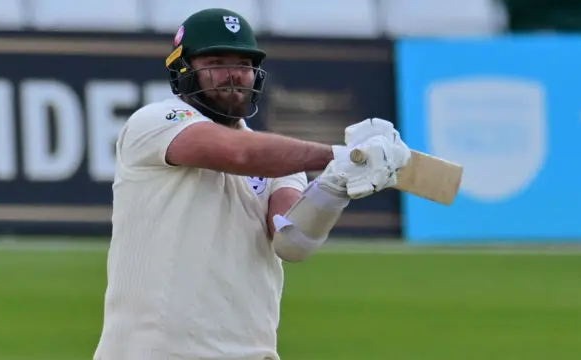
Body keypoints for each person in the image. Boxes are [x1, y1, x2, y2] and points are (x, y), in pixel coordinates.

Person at [93, 7, 411, 360]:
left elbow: (293, 243)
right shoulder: (153, 123)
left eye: (243, 65)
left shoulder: (281, 161)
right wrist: (342, 154)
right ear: (182, 69)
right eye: (215, 62)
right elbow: (238, 154)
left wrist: (336, 184)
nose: (233, 75)